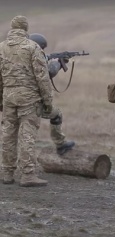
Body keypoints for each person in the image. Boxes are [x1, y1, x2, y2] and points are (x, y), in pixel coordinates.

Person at [0, 16, 52, 187]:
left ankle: (7, 172)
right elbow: (42, 77)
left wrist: (1, 98)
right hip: (29, 97)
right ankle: (28, 174)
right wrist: (47, 101)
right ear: (25, 28)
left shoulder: (1, 47)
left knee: (8, 134)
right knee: (27, 134)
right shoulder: (32, 47)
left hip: (8, 96)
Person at [29, 33, 75, 155]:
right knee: (56, 115)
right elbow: (49, 72)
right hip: (31, 103)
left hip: (13, 102)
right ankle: (60, 144)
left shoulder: (21, 57)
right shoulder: (35, 58)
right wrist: (59, 63)